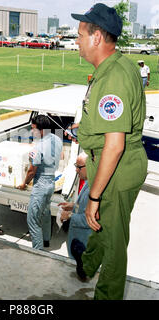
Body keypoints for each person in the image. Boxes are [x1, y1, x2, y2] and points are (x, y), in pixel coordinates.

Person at [70, 3, 148, 300]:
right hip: (108, 163)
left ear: (97, 37)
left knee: (114, 244)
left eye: (80, 34)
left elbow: (114, 146)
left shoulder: (114, 76)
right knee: (102, 223)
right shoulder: (113, 68)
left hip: (117, 168)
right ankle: (88, 263)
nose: (76, 40)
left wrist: (93, 196)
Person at [17, 115, 63, 250]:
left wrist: (24, 183)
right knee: (46, 212)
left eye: (33, 129)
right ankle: (46, 240)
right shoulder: (57, 139)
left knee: (33, 220)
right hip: (51, 183)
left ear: (41, 130)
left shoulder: (39, 147)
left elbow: (32, 170)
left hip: (41, 184)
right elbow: (62, 156)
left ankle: (37, 251)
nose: (32, 132)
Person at [58, 153, 91, 258]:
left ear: (90, 166)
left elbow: (89, 220)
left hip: (83, 245)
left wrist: (69, 216)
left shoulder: (94, 190)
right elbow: (85, 206)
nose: (76, 170)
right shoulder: (88, 182)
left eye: (79, 167)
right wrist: (73, 205)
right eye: (76, 166)